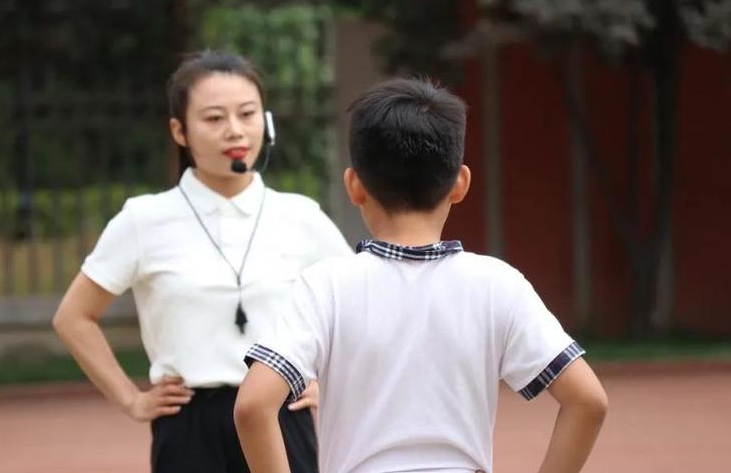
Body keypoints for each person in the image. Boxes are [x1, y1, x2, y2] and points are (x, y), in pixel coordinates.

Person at [234, 78, 608, 473]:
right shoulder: (498, 285)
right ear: (460, 183)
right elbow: (588, 401)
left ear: (354, 185)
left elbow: (254, 406)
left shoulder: (325, 286)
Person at [53, 50, 352, 473]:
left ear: (265, 122)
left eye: (247, 114)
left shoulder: (301, 216)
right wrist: (131, 399)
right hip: (189, 426)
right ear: (179, 131)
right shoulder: (143, 220)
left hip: (281, 417)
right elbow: (73, 316)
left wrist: (329, 382)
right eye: (213, 118)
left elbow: (356, 303)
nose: (235, 131)